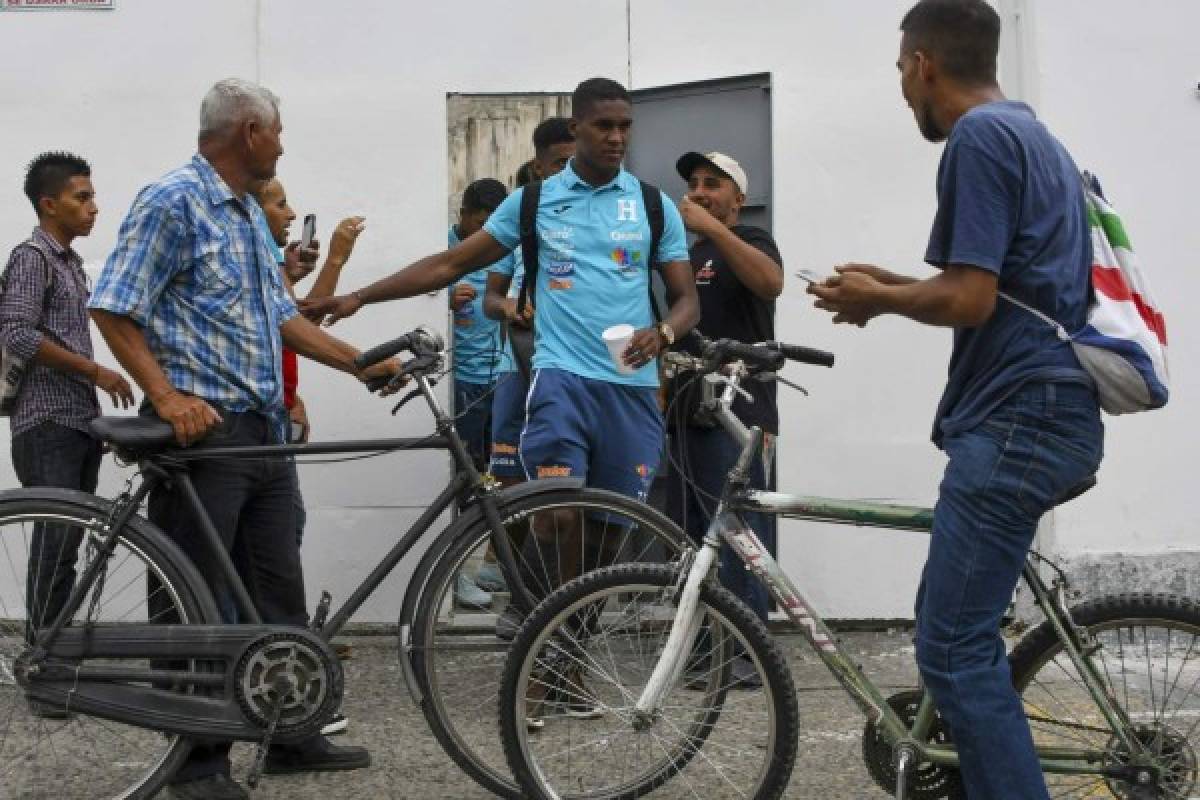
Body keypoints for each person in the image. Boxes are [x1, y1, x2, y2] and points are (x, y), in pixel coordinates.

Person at [808, 2, 1103, 797]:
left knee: (953, 649)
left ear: (924, 61)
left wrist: (881, 302)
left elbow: (970, 300)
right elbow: (1002, 290)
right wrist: (892, 284)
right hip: (1045, 409)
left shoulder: (977, 138)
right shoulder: (1033, 135)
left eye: (901, 70)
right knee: (950, 625)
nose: (903, 90)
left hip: (1017, 419)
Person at [303, 77, 700, 631]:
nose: (616, 137)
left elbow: (687, 301)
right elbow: (450, 265)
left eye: (624, 127)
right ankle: (539, 637)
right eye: (604, 126)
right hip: (559, 377)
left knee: (609, 533)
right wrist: (358, 296)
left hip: (629, 388)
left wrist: (662, 332)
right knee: (555, 515)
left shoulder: (653, 207)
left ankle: (570, 656)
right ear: (577, 127)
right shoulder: (535, 201)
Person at [89, 78, 389, 800]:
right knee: (193, 599)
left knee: (275, 588)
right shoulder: (172, 201)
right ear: (251, 132)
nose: (282, 144)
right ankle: (195, 764)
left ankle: (288, 732)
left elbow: (277, 317)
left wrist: (359, 364)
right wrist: (165, 395)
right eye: (278, 132)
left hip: (263, 434)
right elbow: (113, 307)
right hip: (204, 435)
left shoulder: (248, 218)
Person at [0, 152, 134, 683]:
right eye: (82, 197)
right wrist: (96, 372)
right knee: (55, 543)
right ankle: (42, 669)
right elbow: (18, 333)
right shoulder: (32, 257)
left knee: (68, 544)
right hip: (46, 422)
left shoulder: (70, 264)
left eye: (92, 196)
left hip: (76, 423)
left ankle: (54, 655)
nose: (93, 207)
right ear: (48, 204)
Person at [666, 151, 783, 689]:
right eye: (694, 184)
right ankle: (703, 650)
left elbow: (771, 283)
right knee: (695, 532)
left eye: (713, 184)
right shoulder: (684, 257)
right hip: (689, 409)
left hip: (742, 411)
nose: (700, 190)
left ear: (738, 199)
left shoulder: (753, 241)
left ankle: (746, 650)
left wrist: (713, 227)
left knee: (740, 531)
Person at [252, 176, 362, 736]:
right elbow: (297, 327)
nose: (291, 213)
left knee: (281, 542)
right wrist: (337, 260)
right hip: (259, 422)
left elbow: (292, 322)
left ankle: (284, 679)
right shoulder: (252, 257)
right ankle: (276, 679)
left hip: (277, 413)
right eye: (278, 203)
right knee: (270, 555)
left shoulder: (264, 261)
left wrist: (292, 397)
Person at [473, 116, 576, 595]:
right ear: (538, 167)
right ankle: (520, 592)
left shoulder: (609, 222)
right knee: (510, 487)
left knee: (564, 495)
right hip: (514, 371)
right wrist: (512, 306)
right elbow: (489, 299)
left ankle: (556, 600)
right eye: (560, 163)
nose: (570, 172)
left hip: (571, 377)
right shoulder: (521, 221)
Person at [445, 177, 512, 609]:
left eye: (494, 223)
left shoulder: (504, 248)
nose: (486, 230)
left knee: (497, 477)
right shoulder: (446, 250)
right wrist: (448, 298)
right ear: (464, 214)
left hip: (501, 378)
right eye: (481, 222)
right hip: (461, 381)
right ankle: (453, 580)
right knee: (459, 480)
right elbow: (425, 295)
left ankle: (489, 565)